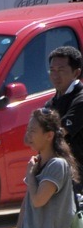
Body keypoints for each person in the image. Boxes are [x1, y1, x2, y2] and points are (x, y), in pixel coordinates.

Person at [43, 46, 83, 187]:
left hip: (78, 175)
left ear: (76, 73)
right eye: (52, 70)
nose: (55, 75)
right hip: (61, 173)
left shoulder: (80, 99)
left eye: (61, 70)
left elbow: (60, 132)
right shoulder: (50, 103)